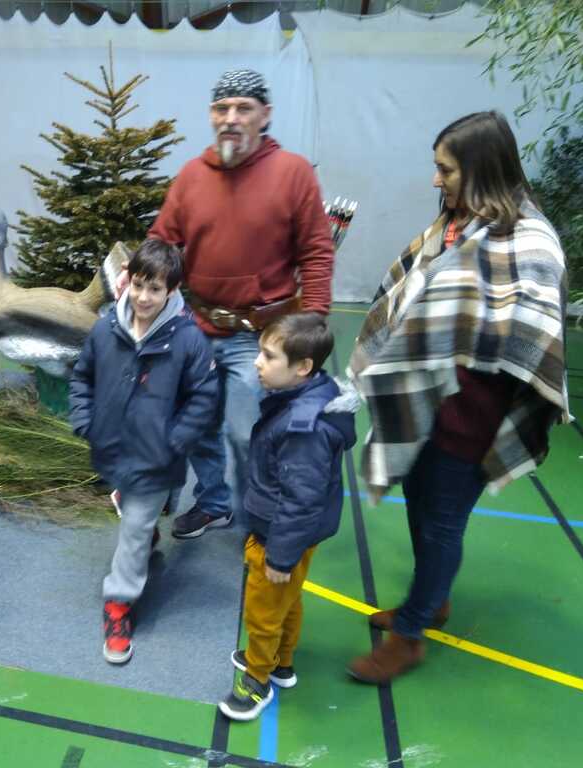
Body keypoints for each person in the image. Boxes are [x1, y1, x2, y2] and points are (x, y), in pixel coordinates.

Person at [346, 111, 570, 684]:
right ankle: (432, 601)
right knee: (419, 500)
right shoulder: (454, 224)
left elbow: (530, 337)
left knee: (442, 520)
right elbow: (414, 294)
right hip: (425, 399)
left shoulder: (530, 241)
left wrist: (461, 347)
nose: (435, 179)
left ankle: (410, 636)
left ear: (481, 169)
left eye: (445, 169)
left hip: (472, 415)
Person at [148, 69, 335, 539]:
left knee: (247, 433)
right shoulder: (192, 176)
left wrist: (312, 324)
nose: (230, 118)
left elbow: (317, 252)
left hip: (259, 338)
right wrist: (146, 294)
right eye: (221, 108)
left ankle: (261, 517)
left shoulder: (293, 173)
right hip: (196, 328)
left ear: (264, 115)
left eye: (243, 108)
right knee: (198, 426)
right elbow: (162, 241)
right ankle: (214, 504)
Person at [69, 239, 218, 664]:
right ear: (127, 281)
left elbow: (204, 396)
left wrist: (176, 439)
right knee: (137, 512)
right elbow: (82, 378)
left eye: (155, 289)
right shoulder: (105, 330)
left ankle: (118, 603)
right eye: (138, 285)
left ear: (172, 290)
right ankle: (148, 523)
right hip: (114, 450)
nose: (144, 297)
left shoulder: (188, 340)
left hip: (157, 457)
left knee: (134, 527)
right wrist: (85, 420)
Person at [218, 313, 357, 721]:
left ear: (302, 367)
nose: (257, 362)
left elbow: (301, 499)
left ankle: (256, 680)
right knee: (288, 599)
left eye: (268, 356)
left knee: (262, 611)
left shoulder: (303, 429)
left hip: (278, 536)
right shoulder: (308, 396)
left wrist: (279, 555)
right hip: (295, 536)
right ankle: (282, 663)